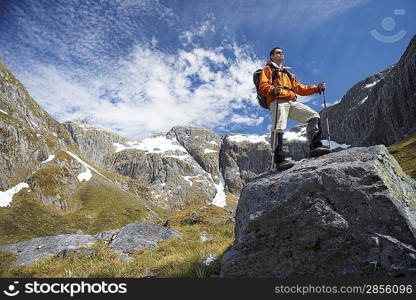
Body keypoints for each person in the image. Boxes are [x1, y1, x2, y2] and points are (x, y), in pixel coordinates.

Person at [259, 47, 331, 170]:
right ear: (271, 56)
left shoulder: (288, 74)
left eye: (282, 52)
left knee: (313, 115)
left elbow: (299, 88)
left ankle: (315, 147)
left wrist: (316, 88)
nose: (281, 53)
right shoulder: (267, 69)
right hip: (277, 100)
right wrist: (273, 90)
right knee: (279, 126)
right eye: (278, 52)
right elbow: (263, 86)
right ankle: (279, 160)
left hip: (291, 100)